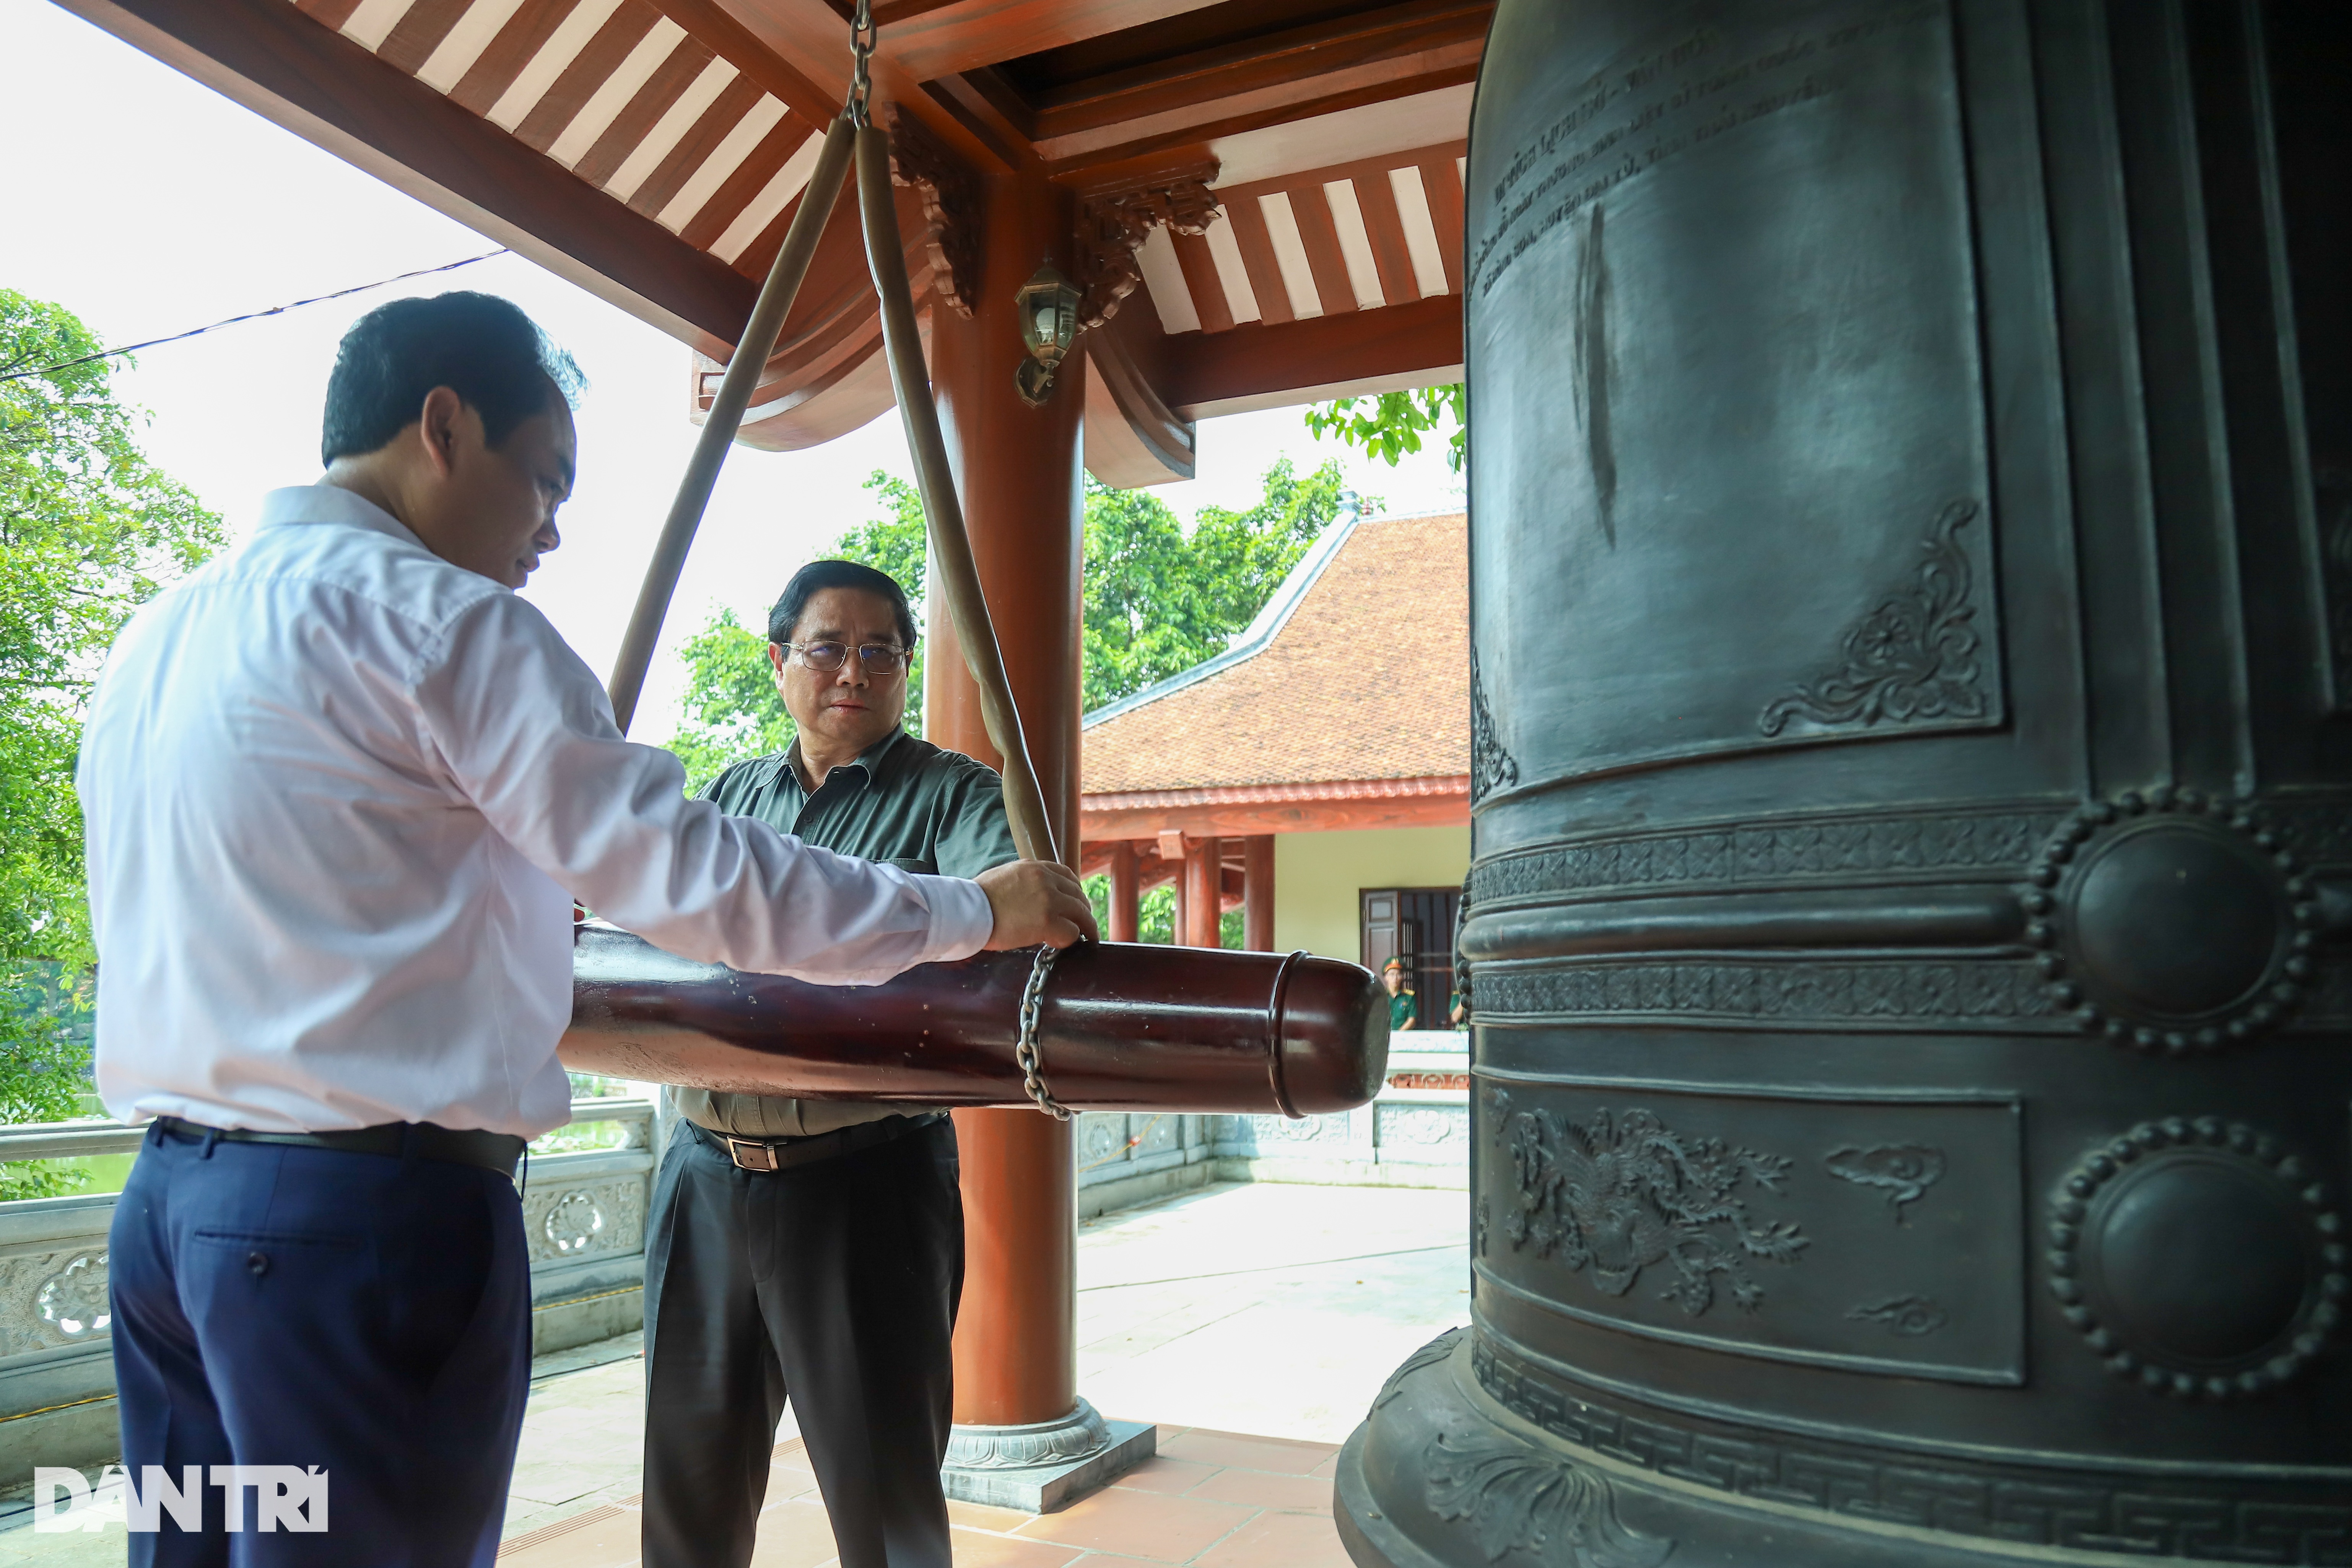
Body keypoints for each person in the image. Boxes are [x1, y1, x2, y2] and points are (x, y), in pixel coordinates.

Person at [76, 293, 1095, 1566]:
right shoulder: (449, 623)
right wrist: (971, 910)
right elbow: (701, 880)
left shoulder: (154, 636)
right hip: (355, 1228)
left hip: (167, 1222)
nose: (554, 528)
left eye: (882, 652)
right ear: (443, 426)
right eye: (546, 478)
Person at [641, 560, 1011, 1568]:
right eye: (827, 646)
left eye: (879, 650)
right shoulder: (727, 794)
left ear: (903, 669)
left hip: (865, 1179)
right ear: (778, 662)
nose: (853, 669)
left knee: (883, 1502)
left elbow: (1006, 918)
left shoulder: (951, 795)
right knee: (687, 1486)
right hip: (703, 1174)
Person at [1383, 956, 1418, 1031]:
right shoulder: (1380, 996)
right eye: (1392, 975)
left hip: (1403, 1037)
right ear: (1386, 977)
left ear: (1402, 977)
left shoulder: (1409, 997)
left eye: (1398, 975)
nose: (1395, 978)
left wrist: (1398, 1035)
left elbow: (1412, 1019)